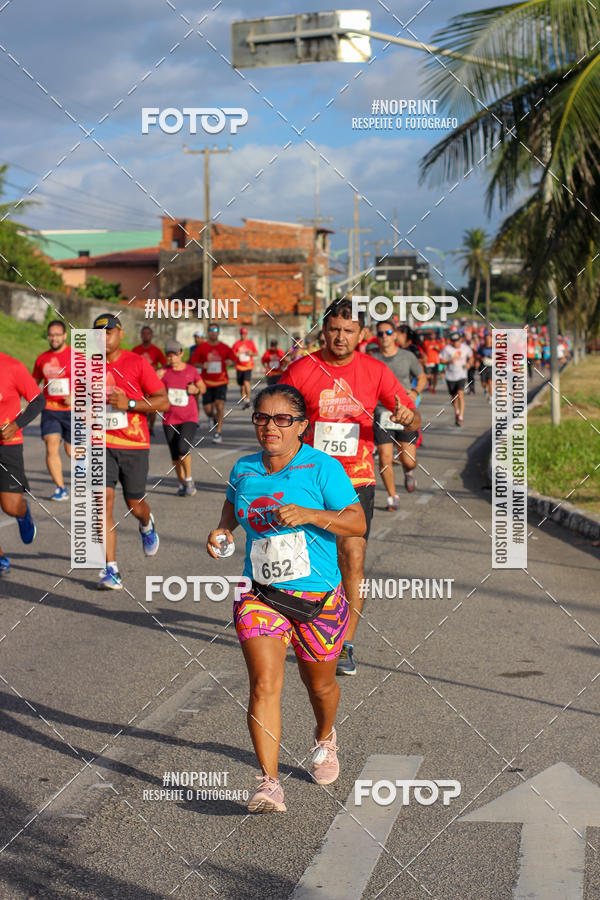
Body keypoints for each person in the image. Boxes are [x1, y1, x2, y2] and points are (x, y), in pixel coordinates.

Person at [207, 384, 366, 812]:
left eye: (282, 419)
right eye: (262, 417)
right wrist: (223, 531)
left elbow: (356, 523)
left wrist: (311, 514)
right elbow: (231, 507)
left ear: (301, 425)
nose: (270, 427)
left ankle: (325, 737)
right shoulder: (243, 467)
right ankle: (269, 782)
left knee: (321, 685)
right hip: (259, 594)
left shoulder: (323, 469)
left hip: (318, 600)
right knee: (263, 684)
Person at [280, 297, 419, 676]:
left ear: (362, 334)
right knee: (305, 561)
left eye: (348, 330)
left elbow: (409, 412)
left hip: (356, 479)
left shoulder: (374, 371)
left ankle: (345, 644)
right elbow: (277, 416)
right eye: (334, 329)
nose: (340, 337)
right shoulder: (302, 369)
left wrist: (407, 415)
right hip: (308, 479)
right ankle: (301, 622)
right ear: (323, 331)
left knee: (353, 558)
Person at [94, 313, 168, 589]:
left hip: (134, 445)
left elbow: (163, 401)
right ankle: (110, 568)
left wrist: (132, 405)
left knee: (134, 505)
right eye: (99, 334)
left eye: (109, 332)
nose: (104, 338)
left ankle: (147, 524)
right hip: (101, 444)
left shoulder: (137, 363)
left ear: (120, 334)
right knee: (102, 505)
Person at [370, 320, 427, 502]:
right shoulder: (373, 360)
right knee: (384, 458)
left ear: (395, 335)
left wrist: (416, 391)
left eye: (387, 333)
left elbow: (421, 376)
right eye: (380, 334)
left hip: (405, 412)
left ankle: (409, 471)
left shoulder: (407, 356)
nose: (384, 337)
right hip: (381, 413)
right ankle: (392, 496)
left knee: (408, 460)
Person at [0, 352, 45, 573]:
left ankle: (22, 512)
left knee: (10, 506)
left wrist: (15, 425)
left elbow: (38, 401)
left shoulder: (12, 366)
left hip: (8, 446)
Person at [157, 340, 206, 496]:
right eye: (169, 356)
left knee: (183, 449)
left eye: (175, 355)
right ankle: (181, 482)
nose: (172, 359)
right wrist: (156, 377)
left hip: (189, 417)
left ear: (181, 354)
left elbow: (203, 388)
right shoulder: (163, 372)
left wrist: (196, 389)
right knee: (174, 456)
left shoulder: (191, 370)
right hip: (169, 418)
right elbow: (151, 390)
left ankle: (189, 479)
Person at [32, 320, 72, 500]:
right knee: (51, 446)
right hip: (50, 409)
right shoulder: (42, 358)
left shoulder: (77, 357)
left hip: (73, 410)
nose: (54, 338)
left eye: (57, 335)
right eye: (51, 335)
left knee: (71, 451)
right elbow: (33, 383)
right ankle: (61, 488)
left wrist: (77, 396)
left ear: (65, 335)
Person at [190, 323, 235, 444]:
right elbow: (193, 362)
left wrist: (230, 362)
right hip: (206, 383)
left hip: (221, 381)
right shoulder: (202, 347)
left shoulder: (225, 347)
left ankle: (218, 433)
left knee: (219, 406)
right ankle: (215, 419)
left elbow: (233, 361)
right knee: (208, 410)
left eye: (215, 330)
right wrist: (201, 365)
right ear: (208, 332)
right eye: (210, 330)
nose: (213, 332)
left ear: (218, 332)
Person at [132, 326, 167, 436]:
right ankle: (140, 425)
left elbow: (165, 365)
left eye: (148, 333)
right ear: (141, 335)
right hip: (138, 383)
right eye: (144, 333)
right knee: (139, 405)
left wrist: (158, 370)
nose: (146, 335)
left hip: (151, 383)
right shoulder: (136, 350)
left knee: (152, 406)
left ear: (151, 336)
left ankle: (151, 427)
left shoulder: (156, 350)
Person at [440, 331, 473, 426]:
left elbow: (471, 357)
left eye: (457, 341)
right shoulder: (447, 349)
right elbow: (441, 360)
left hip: (461, 375)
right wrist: (449, 361)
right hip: (450, 376)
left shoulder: (466, 348)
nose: (455, 343)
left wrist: (469, 364)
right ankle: (457, 411)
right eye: (453, 341)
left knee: (460, 394)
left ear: (461, 340)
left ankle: (461, 417)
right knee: (454, 398)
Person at [232, 327, 258, 409]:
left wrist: (251, 353)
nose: (244, 336)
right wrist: (235, 355)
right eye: (242, 334)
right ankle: (245, 401)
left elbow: (256, 353)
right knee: (242, 386)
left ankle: (248, 399)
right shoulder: (236, 344)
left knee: (247, 382)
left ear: (247, 334)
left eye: (245, 334)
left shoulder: (250, 343)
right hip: (239, 367)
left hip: (248, 366)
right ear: (240, 334)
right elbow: (232, 355)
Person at [477, 331, 493, 402]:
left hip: (492, 366)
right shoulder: (481, 347)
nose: (488, 340)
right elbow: (478, 355)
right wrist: (481, 358)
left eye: (489, 339)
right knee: (483, 383)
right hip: (483, 366)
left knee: (490, 381)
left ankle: (490, 396)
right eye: (486, 339)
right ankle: (485, 388)